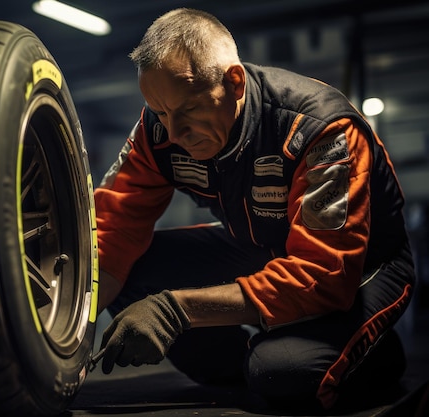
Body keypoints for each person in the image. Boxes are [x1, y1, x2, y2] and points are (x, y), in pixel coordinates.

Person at [93, 7, 416, 412]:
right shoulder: (158, 132)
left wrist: (178, 310)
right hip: (263, 246)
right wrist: (67, 333)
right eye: (160, 112)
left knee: (286, 374)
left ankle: (369, 353)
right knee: (135, 273)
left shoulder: (319, 128)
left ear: (234, 82)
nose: (173, 133)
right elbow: (111, 231)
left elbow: (323, 273)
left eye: (189, 109)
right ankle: (249, 364)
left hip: (362, 267)